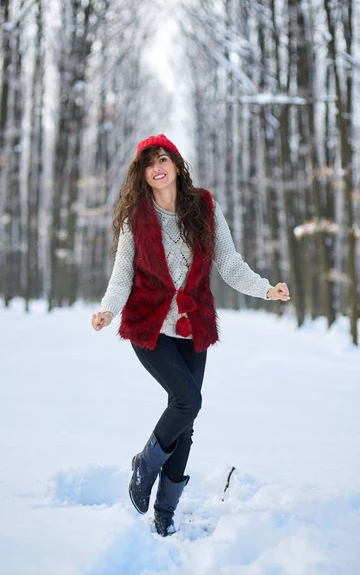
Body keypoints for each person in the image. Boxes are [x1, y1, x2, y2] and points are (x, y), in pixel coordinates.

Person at [91, 133, 290, 537]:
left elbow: (230, 264)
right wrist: (108, 309)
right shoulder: (136, 218)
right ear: (143, 175)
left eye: (163, 159)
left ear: (178, 165)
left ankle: (165, 512)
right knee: (187, 401)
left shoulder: (206, 209)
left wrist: (266, 289)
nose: (157, 168)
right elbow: (122, 273)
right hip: (149, 327)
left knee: (187, 418)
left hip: (192, 327)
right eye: (149, 164)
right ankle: (144, 466)